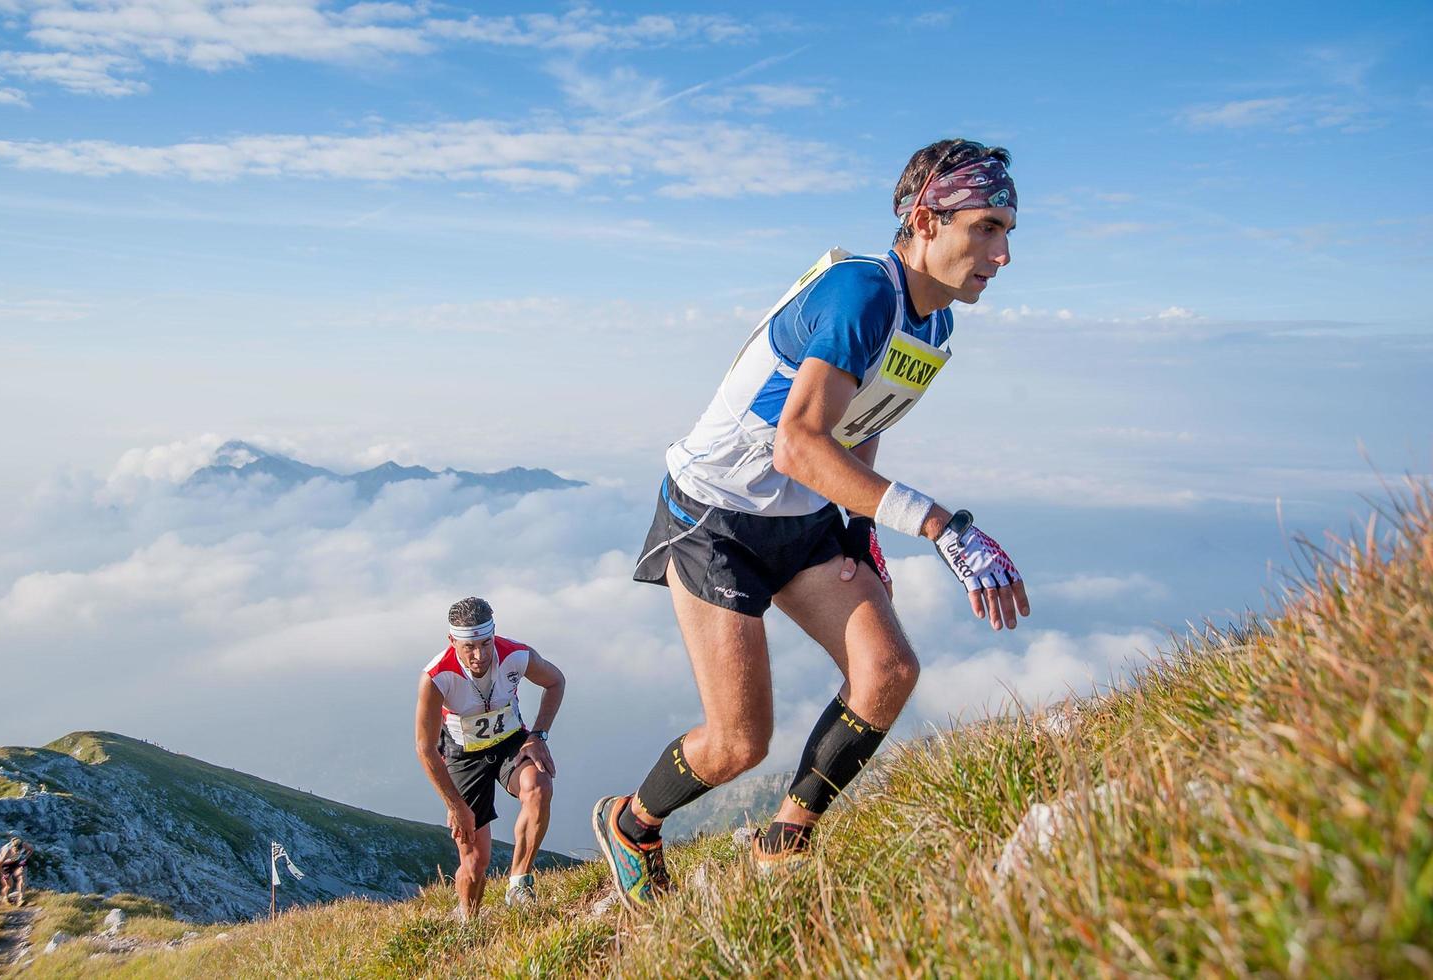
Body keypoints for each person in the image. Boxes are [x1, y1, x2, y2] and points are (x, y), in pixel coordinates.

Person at [593, 138, 1031, 908]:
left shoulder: (933, 326)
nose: (1000, 253)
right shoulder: (862, 294)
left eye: (1007, 232)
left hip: (801, 517)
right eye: (986, 227)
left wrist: (860, 528)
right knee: (736, 744)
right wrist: (939, 526)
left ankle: (785, 840)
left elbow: (855, 429)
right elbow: (798, 443)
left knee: (887, 673)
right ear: (925, 219)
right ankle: (632, 824)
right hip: (714, 519)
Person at [414, 596, 566, 919]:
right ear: (452, 640)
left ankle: (519, 884)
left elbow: (555, 681)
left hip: (511, 741)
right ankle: (468, 922)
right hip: (462, 754)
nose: (479, 655)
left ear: (494, 633)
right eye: (469, 646)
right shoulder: (436, 677)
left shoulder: (515, 655)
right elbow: (425, 748)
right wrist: (455, 806)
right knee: (475, 861)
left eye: (485, 643)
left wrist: (538, 735)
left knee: (540, 785)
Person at [0, 836, 33, 906]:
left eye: (19, 850)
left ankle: (21, 899)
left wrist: (25, 859)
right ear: (12, 847)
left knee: (22, 878)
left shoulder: (24, 845)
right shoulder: (6, 851)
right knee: (9, 885)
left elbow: (31, 850)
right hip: (5, 864)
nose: (17, 851)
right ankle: (5, 898)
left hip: (17, 861)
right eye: (16, 850)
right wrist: (5, 874)